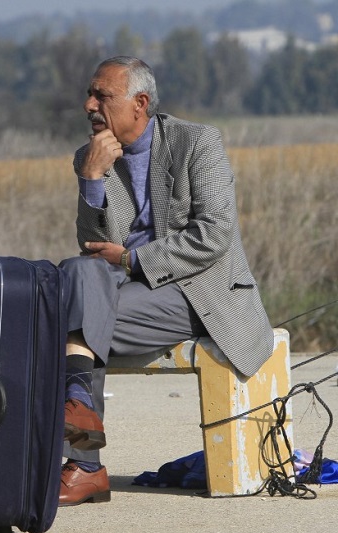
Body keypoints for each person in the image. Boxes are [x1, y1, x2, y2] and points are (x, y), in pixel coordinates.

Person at [56, 56, 274, 506]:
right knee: (74, 272)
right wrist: (92, 178)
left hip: (198, 290)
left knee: (63, 321)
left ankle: (85, 466)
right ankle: (80, 422)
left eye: (101, 95)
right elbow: (94, 246)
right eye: (90, 93)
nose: (88, 104)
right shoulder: (90, 156)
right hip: (126, 291)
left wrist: (135, 259)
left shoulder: (197, 142)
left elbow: (214, 234)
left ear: (139, 103)